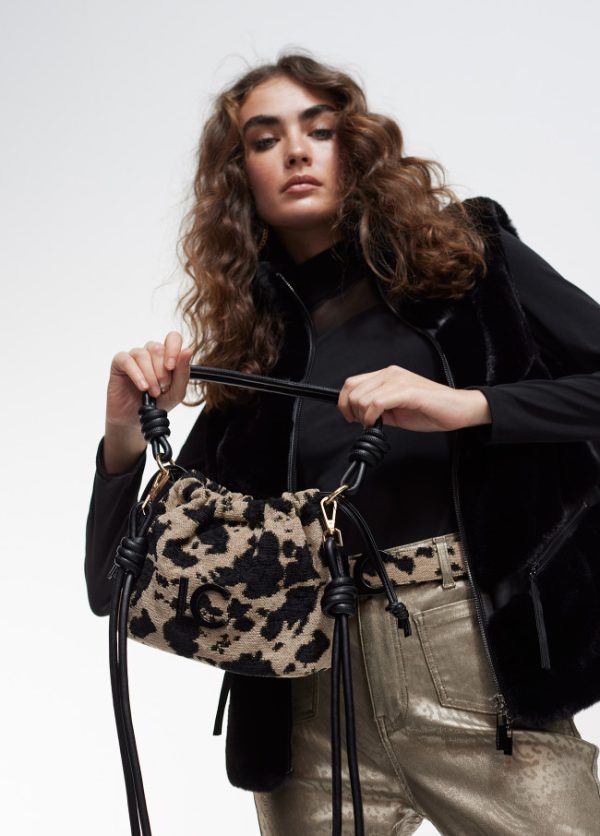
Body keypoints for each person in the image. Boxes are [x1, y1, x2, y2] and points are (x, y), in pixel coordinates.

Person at [85, 50, 600, 834]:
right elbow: (117, 584)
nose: (295, 151)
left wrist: (466, 405)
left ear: (353, 147)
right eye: (265, 140)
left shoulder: (473, 263)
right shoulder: (254, 364)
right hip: (307, 711)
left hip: (478, 670)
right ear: (240, 178)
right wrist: (124, 429)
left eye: (318, 130)